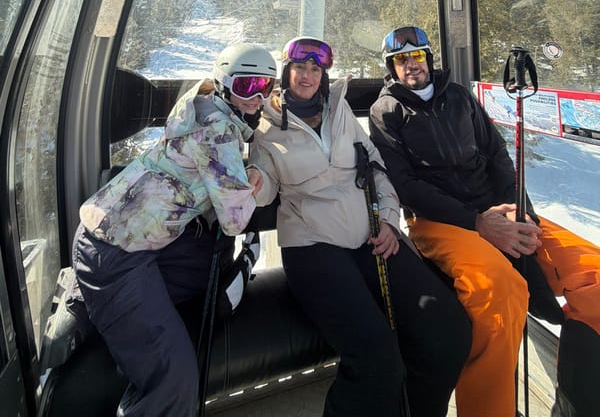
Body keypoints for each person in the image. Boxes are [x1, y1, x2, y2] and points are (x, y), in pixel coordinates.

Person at [368, 25, 600, 417]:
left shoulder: (458, 96)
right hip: (438, 223)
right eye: (402, 60)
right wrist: (477, 223)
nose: (411, 65)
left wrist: (517, 209)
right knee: (500, 289)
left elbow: (496, 155)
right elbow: (406, 185)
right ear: (392, 68)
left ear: (428, 59)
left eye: (418, 56)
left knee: (592, 272)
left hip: (497, 209)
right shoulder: (386, 112)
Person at [248, 36, 471, 417]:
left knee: (448, 329)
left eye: (316, 69)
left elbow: (375, 165)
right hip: (313, 246)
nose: (307, 76)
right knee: (377, 358)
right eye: (300, 67)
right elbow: (266, 183)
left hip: (369, 236)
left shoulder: (339, 109)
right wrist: (254, 178)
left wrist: (388, 220)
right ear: (285, 72)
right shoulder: (266, 124)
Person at [70, 43, 277, 417]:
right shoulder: (217, 133)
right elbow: (235, 219)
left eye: (267, 85)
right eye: (248, 87)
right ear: (225, 84)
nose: (258, 97)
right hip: (115, 255)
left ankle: (90, 303)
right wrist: (254, 177)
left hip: (118, 236)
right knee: (175, 377)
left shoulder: (199, 107)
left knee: (198, 287)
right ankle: (87, 301)